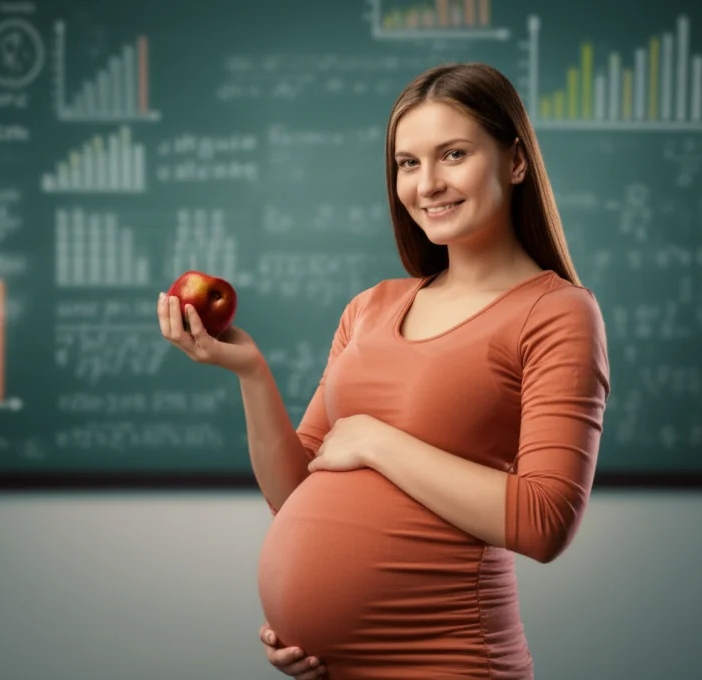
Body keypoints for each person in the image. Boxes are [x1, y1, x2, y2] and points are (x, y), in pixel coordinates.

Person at [156, 62, 610, 679]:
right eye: (408, 163)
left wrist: (378, 441)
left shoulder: (556, 312)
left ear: (516, 162)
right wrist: (251, 372)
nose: (428, 184)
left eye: (453, 154)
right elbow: (295, 494)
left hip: (453, 664)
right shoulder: (369, 308)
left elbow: (545, 520)